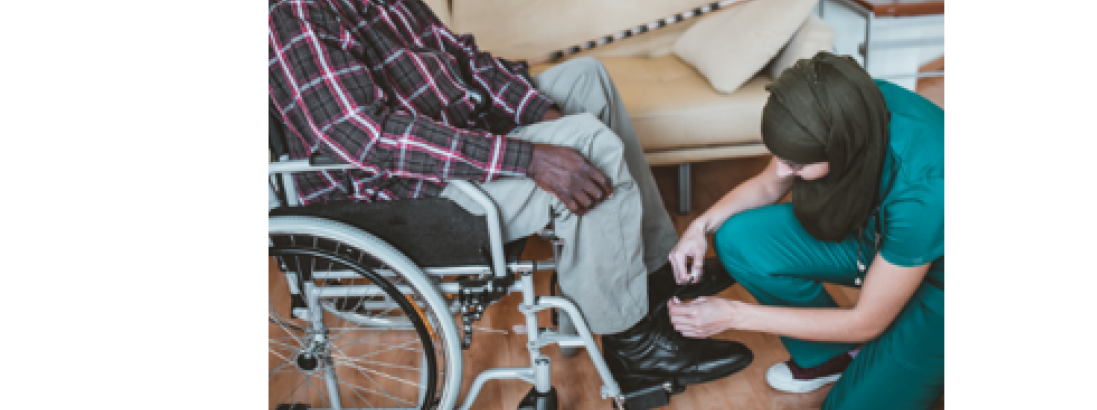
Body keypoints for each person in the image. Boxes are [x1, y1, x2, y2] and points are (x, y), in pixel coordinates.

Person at [268, 0, 751, 387]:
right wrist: (530, 157)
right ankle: (636, 347)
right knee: (591, 147)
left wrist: (543, 116)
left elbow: (465, 63)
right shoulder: (295, 16)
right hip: (399, 197)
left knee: (587, 79)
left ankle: (651, 275)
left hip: (446, 149)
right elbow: (365, 136)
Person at [666, 52, 944, 409]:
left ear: (840, 148)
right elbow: (769, 185)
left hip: (940, 277)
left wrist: (735, 315)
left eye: (794, 163)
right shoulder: (839, 105)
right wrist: (699, 227)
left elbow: (866, 323)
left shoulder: (927, 186)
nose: (781, 170)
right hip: (882, 236)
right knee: (739, 239)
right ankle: (830, 356)